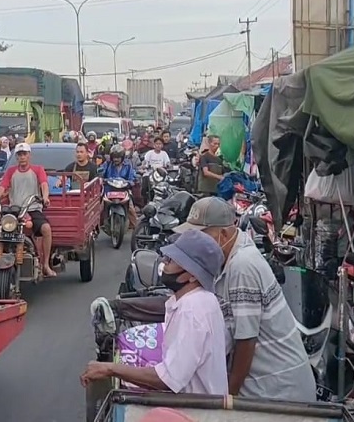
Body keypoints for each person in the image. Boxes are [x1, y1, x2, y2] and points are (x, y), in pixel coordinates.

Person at [174, 197, 316, 401]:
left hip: (278, 392)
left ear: (223, 234)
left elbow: (246, 341)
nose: (195, 244)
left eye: (201, 236)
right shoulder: (225, 258)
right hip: (264, 386)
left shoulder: (242, 266)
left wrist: (228, 399)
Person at [80, 230, 228, 395]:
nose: (164, 263)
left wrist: (110, 369)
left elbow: (167, 379)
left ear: (192, 276)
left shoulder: (191, 310)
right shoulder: (201, 300)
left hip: (193, 407)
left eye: (171, 261)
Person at [0, 143, 58, 278]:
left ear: (29, 155)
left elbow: (44, 185)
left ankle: (45, 265)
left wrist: (45, 197)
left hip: (32, 208)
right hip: (14, 211)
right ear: (16, 157)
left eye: (24, 154)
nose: (22, 157)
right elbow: (2, 188)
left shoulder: (38, 170)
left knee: (46, 229)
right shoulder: (11, 171)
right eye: (19, 154)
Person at [101, 145, 139, 229]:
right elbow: (101, 171)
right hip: (109, 191)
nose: (116, 159)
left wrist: (132, 181)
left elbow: (132, 175)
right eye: (114, 157)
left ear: (122, 157)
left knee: (131, 209)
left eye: (118, 157)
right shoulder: (107, 164)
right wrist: (101, 178)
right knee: (101, 208)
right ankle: (99, 226)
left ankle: (136, 229)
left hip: (124, 190)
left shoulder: (128, 164)